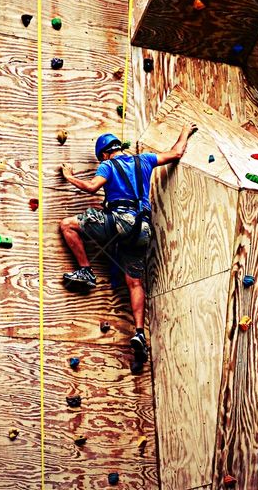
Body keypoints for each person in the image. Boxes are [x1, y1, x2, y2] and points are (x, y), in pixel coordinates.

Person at [59, 123, 197, 364]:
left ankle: (86, 271)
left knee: (68, 225)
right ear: (119, 147)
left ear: (103, 154)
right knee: (134, 282)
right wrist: (184, 131)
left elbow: (93, 187)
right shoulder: (143, 161)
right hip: (142, 230)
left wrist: (69, 176)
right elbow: (176, 154)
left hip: (119, 222)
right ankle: (140, 333)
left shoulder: (108, 164)